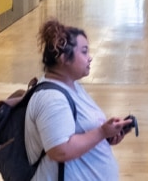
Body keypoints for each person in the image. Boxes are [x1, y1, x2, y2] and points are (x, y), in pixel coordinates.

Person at [24, 19, 132, 180]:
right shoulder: (51, 99)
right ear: (63, 58)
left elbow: (81, 132)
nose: (90, 58)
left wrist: (106, 135)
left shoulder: (72, 86)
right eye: (84, 51)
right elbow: (60, 150)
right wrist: (102, 132)